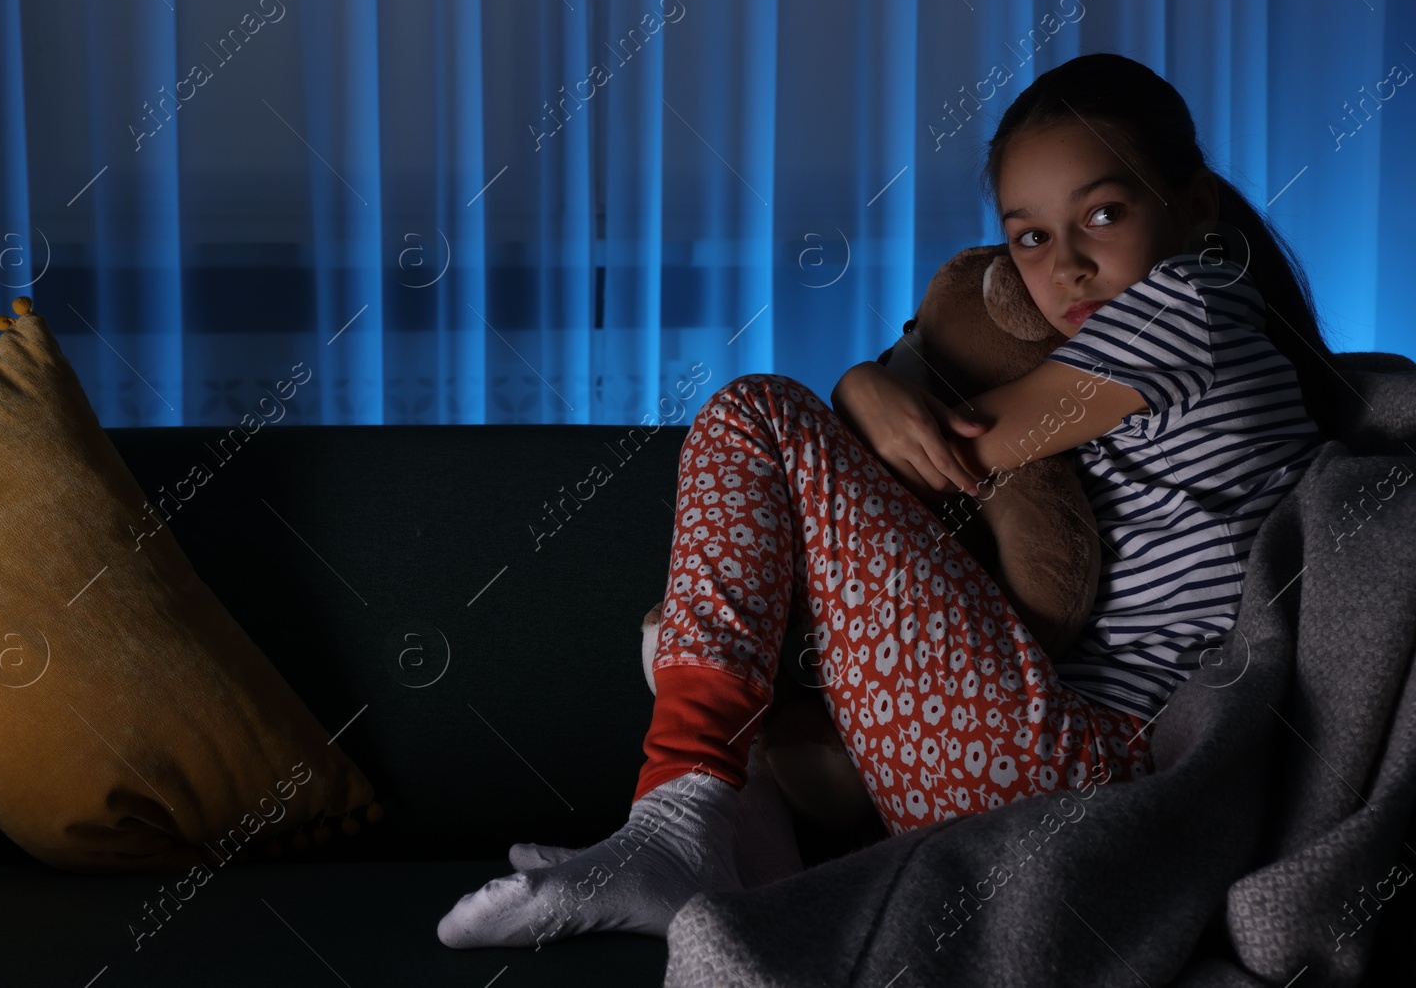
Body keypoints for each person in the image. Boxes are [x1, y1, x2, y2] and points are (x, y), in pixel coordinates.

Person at [436, 51, 1337, 950]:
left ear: (1196, 209)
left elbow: (952, 449)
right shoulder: (1161, 331)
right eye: (1029, 236)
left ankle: (677, 825)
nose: (1067, 267)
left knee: (755, 412)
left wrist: (864, 384)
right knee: (739, 609)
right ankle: (719, 854)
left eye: (1104, 214)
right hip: (1031, 773)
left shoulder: (1195, 304)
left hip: (1072, 780)